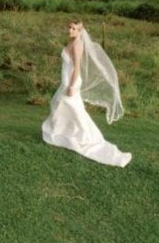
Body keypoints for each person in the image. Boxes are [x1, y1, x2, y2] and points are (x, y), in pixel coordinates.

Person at [40, 20, 132, 167]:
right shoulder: (71, 42)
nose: (70, 30)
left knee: (73, 109)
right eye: (69, 27)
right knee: (62, 107)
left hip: (72, 81)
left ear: (80, 31)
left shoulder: (78, 45)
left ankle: (86, 137)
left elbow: (77, 67)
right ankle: (61, 132)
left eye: (73, 28)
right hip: (66, 80)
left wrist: (71, 86)